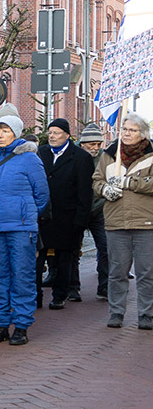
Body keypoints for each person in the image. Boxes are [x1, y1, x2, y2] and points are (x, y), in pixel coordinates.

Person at [0, 113, 48, 346]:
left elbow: (42, 195)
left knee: (22, 276)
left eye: (6, 130)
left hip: (20, 228)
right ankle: (0, 325)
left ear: (16, 133)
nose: (0, 135)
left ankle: (21, 326)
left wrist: (24, 214)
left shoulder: (29, 159)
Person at [92, 113, 153, 330]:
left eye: (132, 130)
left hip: (146, 222)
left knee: (147, 272)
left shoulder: (151, 155)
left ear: (142, 133)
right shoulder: (110, 155)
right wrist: (104, 189)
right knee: (117, 271)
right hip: (116, 222)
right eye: (124, 129)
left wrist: (130, 182)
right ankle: (116, 312)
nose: (126, 133)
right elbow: (96, 181)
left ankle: (147, 314)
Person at [38, 118, 94, 310]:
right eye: (50, 132)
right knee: (38, 257)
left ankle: (59, 295)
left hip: (67, 217)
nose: (52, 136)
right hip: (42, 215)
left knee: (64, 259)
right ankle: (35, 296)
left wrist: (80, 220)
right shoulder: (40, 153)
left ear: (67, 135)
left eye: (56, 133)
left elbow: (85, 192)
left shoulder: (81, 157)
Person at [76, 122, 109, 300]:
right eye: (91, 144)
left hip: (99, 209)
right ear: (82, 143)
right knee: (72, 249)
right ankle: (71, 286)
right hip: (77, 209)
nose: (96, 148)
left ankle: (104, 286)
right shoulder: (74, 156)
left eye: (98, 144)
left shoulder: (107, 158)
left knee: (105, 247)